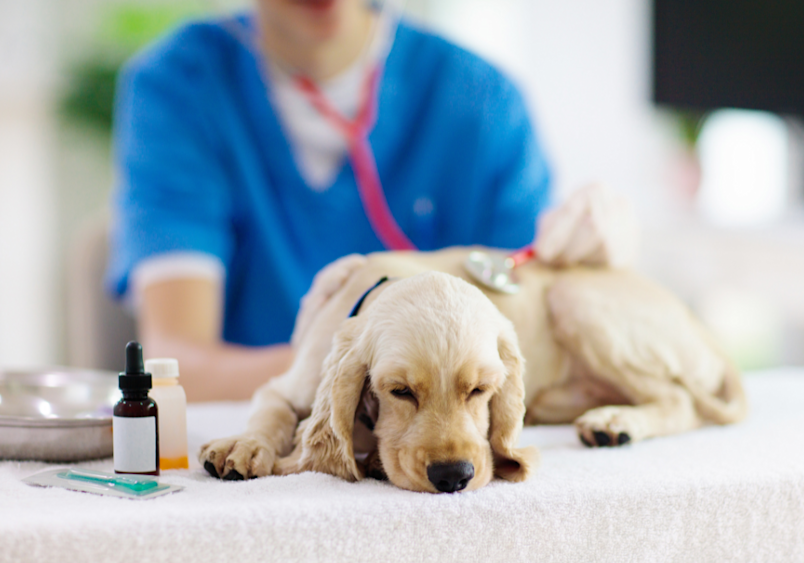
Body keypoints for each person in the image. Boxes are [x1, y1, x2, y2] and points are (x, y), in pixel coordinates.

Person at [106, 0, 633, 402]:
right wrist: (363, 367)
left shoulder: (482, 102)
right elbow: (177, 369)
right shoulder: (181, 87)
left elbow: (532, 348)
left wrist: (592, 266)